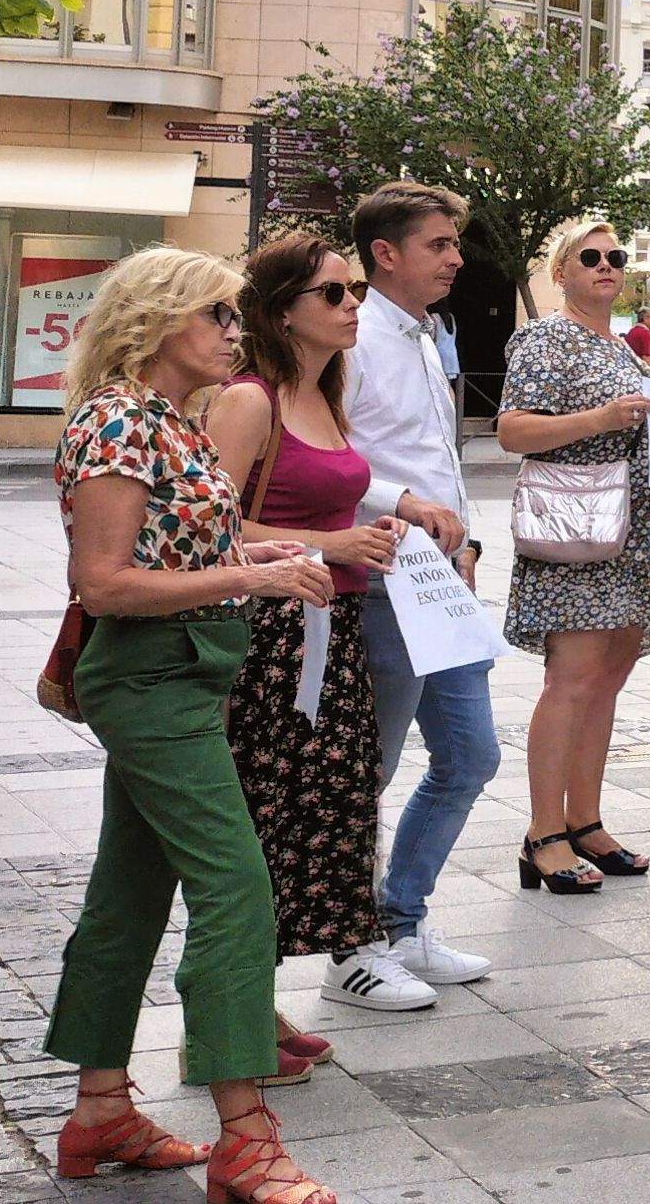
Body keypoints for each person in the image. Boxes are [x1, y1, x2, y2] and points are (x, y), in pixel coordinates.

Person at [48, 246, 342, 1203]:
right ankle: (245, 1138)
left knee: (128, 894)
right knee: (235, 888)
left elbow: (198, 539)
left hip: (189, 673)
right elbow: (105, 582)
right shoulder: (117, 423)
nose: (232, 332)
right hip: (150, 679)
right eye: (216, 315)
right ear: (157, 319)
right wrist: (251, 577)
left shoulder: (171, 420)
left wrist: (279, 551)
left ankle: (100, 1111)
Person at [206, 234, 415, 1029]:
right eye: (332, 293)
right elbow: (210, 522)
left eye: (353, 289)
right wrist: (330, 544)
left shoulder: (327, 392)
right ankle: (233, 1011)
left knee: (330, 806)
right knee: (269, 814)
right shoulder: (250, 397)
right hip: (271, 635)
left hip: (335, 625)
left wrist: (390, 518)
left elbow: (329, 502)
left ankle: (260, 1003)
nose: (353, 304)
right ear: (283, 312)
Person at [498, 223, 650, 889]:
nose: (607, 267)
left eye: (616, 258)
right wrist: (601, 419)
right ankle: (543, 833)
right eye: (590, 258)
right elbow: (513, 429)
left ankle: (586, 821)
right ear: (562, 273)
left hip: (640, 537)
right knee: (571, 680)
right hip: (580, 530)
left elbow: (647, 428)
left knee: (605, 681)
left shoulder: (626, 347)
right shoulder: (548, 336)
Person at [336, 181, 495, 1001]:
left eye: (454, 244)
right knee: (370, 765)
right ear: (386, 254)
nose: (456, 258)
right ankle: (351, 949)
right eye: (438, 244)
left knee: (471, 755)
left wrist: (465, 537)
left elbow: (435, 455)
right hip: (386, 579)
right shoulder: (353, 337)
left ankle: (403, 919)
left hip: (444, 583)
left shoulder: (429, 335)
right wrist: (407, 512)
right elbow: (337, 461)